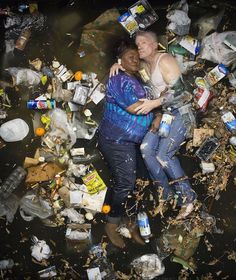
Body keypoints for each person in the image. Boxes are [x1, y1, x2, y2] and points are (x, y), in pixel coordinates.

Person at [110, 30, 197, 220]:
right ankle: (165, 195)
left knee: (163, 154)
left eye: (143, 42)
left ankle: (188, 198)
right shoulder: (143, 65)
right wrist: (115, 65)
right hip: (165, 115)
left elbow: (182, 92)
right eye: (137, 43)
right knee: (146, 149)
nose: (139, 46)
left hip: (181, 112)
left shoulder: (164, 60)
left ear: (155, 44)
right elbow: (127, 62)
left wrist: (153, 103)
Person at [98, 39, 153, 248]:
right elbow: (135, 108)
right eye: (131, 57)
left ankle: (130, 221)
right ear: (119, 60)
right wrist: (159, 103)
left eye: (137, 57)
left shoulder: (136, 78)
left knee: (141, 181)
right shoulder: (119, 79)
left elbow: (148, 97)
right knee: (125, 183)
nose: (136, 60)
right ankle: (111, 223)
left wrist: (156, 115)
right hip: (116, 141)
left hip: (132, 142)